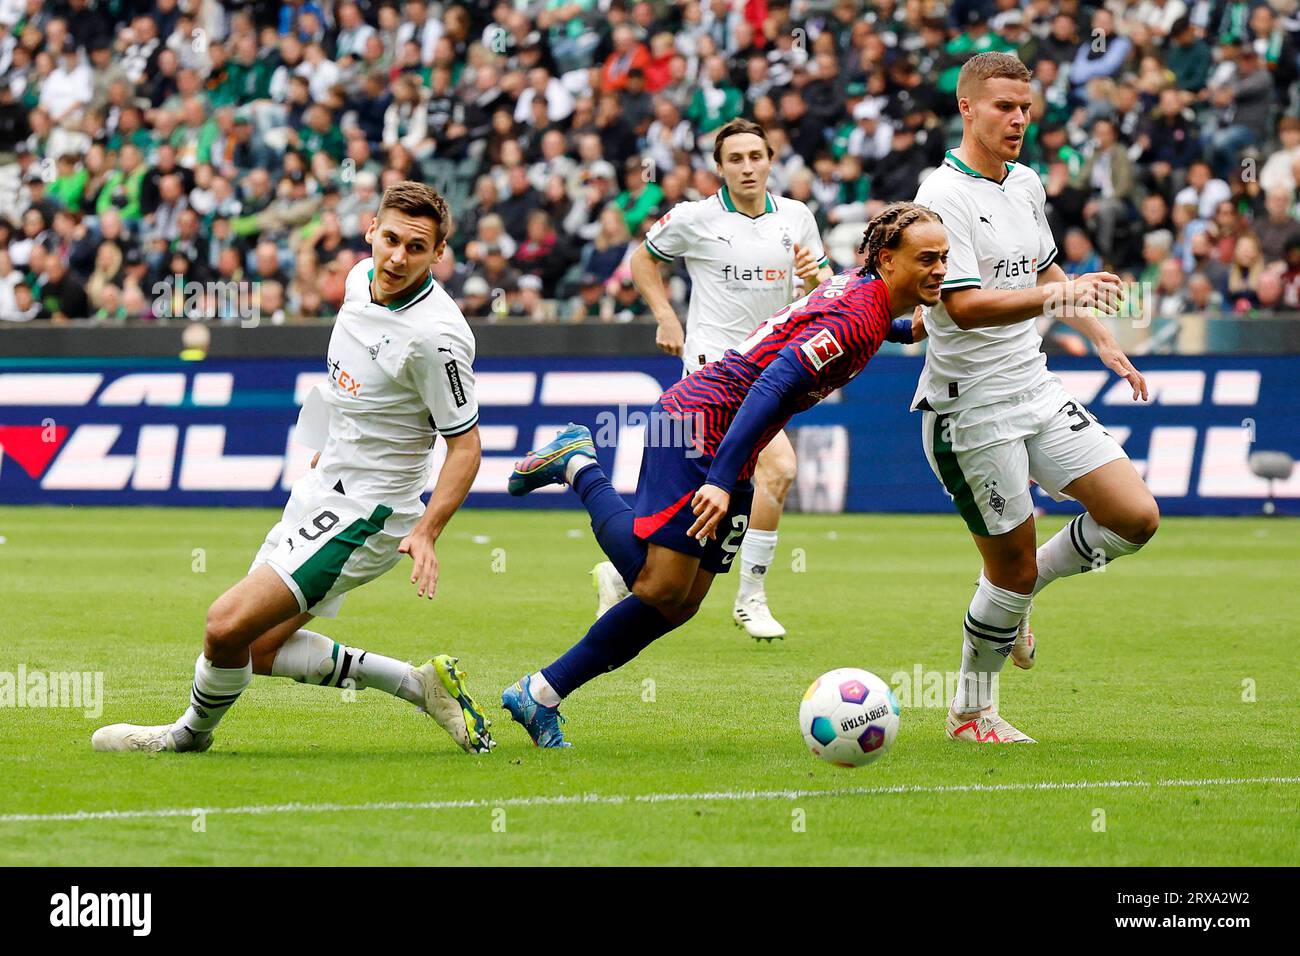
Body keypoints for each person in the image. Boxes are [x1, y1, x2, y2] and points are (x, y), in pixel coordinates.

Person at [498, 202, 940, 747]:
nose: (940, 268)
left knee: (681, 603)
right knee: (658, 585)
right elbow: (772, 384)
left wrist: (910, 327)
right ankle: (577, 462)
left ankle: (540, 694)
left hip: (732, 440)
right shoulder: (857, 316)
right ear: (888, 260)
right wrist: (721, 478)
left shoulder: (867, 301)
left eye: (944, 257)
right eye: (927, 258)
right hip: (697, 423)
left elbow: (858, 328)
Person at [91, 183, 494, 755]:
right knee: (256, 648)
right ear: (371, 232)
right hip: (323, 487)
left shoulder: (438, 338)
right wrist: (331, 437)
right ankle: (419, 685)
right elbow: (354, 378)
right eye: (392, 239)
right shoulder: (359, 280)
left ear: (439, 254)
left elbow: (467, 446)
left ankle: (186, 737)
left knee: (224, 625)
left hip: (368, 512)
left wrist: (427, 530)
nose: (399, 257)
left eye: (417, 247)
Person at [913, 53, 1159, 745]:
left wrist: (1100, 336)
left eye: (1025, 106)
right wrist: (1059, 295)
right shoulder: (942, 196)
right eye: (1003, 107)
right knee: (1008, 568)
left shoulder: (1024, 183)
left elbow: (1046, 267)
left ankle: (1022, 599)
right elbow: (962, 306)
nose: (1018, 118)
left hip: (1035, 385)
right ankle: (970, 713)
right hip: (971, 408)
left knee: (1134, 517)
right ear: (968, 109)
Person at [626, 118, 834, 641]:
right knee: (779, 468)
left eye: (755, 157)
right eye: (735, 159)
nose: (747, 167)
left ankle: (620, 571)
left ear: (770, 161)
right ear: (718, 168)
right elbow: (642, 260)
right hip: (713, 371)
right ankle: (751, 596)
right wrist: (665, 315)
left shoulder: (796, 217)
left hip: (773, 370)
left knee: (711, 492)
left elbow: (829, 292)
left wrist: (814, 280)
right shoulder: (696, 219)